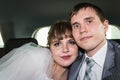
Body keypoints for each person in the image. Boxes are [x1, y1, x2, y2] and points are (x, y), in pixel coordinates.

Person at [0, 20, 78, 80]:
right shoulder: (36, 59)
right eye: (57, 44)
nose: (65, 49)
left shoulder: (80, 71)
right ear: (49, 47)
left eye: (71, 42)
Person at [68, 2, 120, 80]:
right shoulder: (71, 60)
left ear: (105, 26)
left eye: (89, 21)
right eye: (76, 26)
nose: (82, 30)